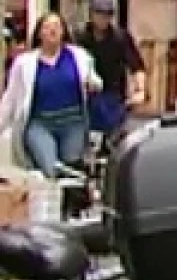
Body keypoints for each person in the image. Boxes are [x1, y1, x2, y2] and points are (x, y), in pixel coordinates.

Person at [0, 12, 102, 177]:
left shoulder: (79, 56)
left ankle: (66, 201)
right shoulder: (24, 63)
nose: (52, 31)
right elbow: (10, 100)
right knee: (50, 167)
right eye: (47, 27)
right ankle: (49, 197)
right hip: (40, 124)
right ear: (39, 33)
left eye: (57, 27)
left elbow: (95, 80)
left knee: (71, 169)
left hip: (72, 123)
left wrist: (93, 84)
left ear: (63, 32)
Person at [76, 0, 145, 135]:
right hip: (86, 95)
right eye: (99, 13)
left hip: (113, 95)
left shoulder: (120, 37)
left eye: (107, 14)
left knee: (113, 133)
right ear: (92, 15)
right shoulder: (80, 37)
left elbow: (136, 65)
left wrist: (140, 90)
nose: (103, 18)